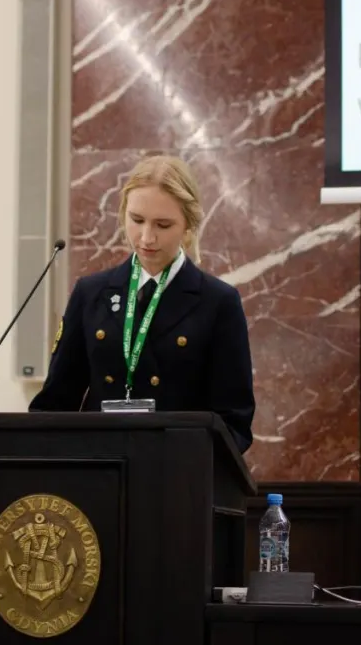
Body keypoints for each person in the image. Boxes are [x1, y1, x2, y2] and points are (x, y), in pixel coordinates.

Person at [29, 154, 255, 453]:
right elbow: (54, 405)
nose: (147, 238)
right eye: (137, 220)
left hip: (177, 469)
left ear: (188, 225)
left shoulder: (218, 302)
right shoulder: (91, 293)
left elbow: (234, 422)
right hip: (100, 465)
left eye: (163, 224)